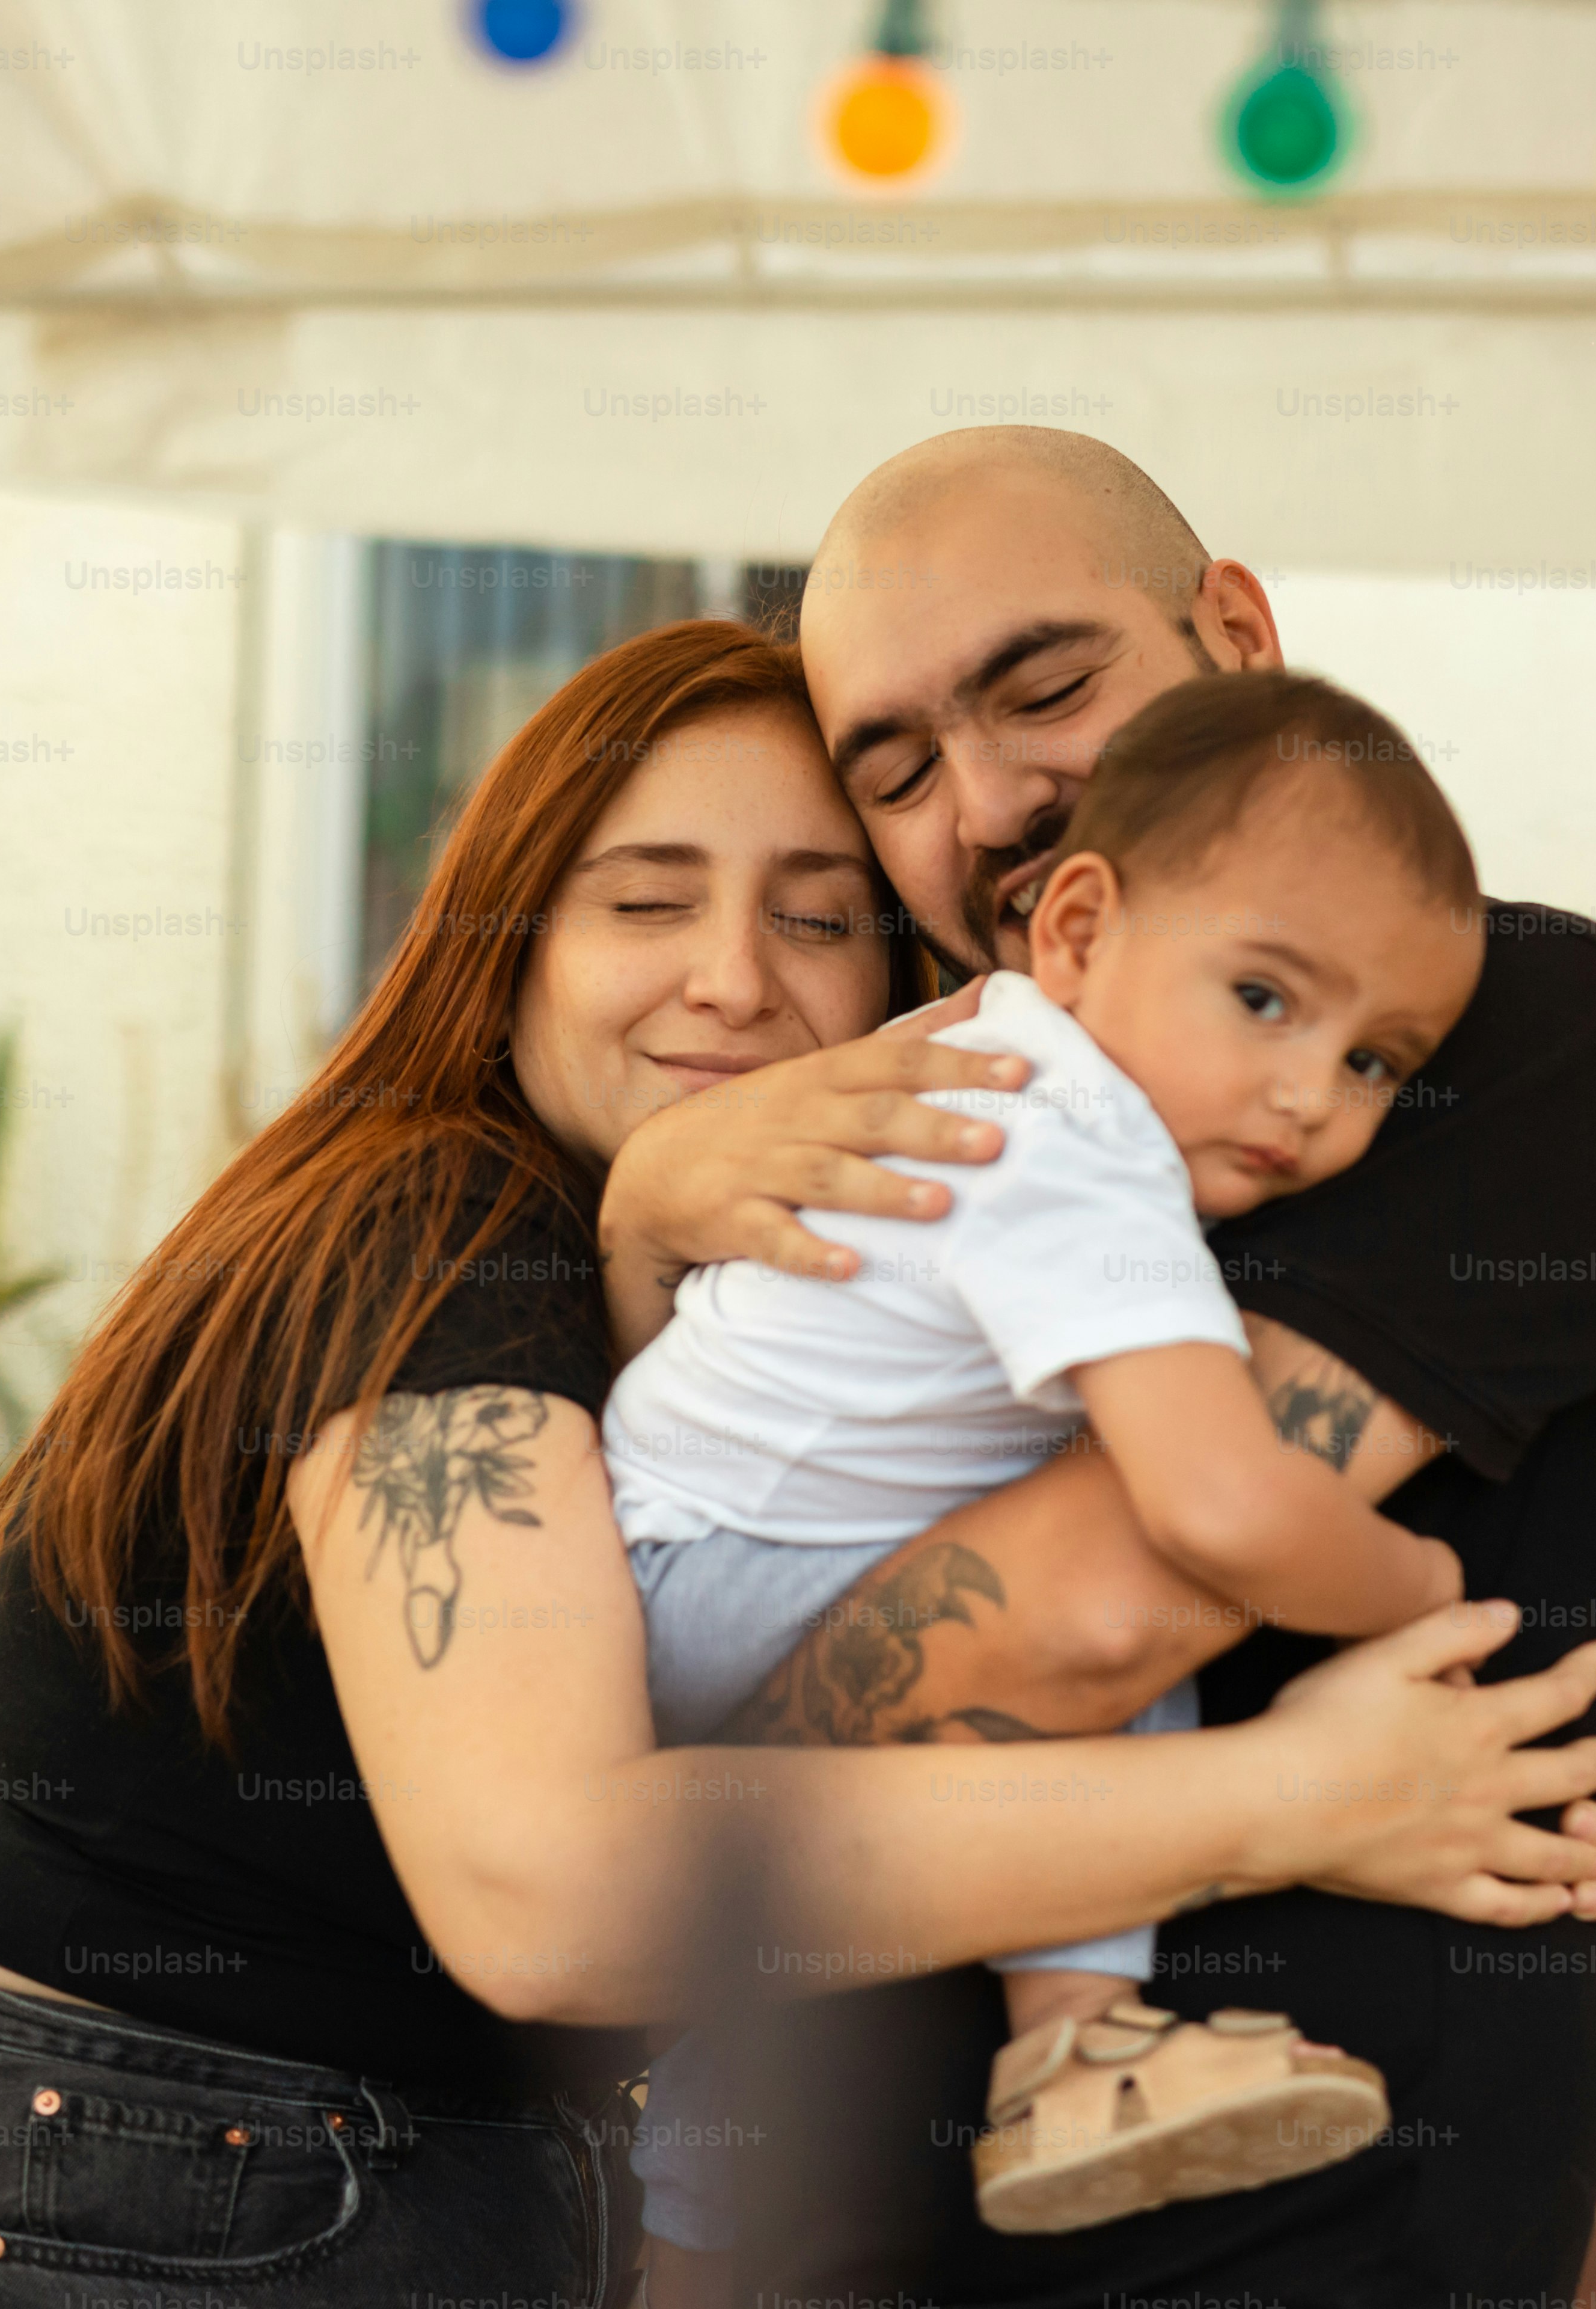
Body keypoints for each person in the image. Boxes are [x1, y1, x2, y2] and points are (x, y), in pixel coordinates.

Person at [0, 619, 1596, 2309]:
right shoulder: (430, 1232)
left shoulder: (720, 1284)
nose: (729, 981)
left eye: (814, 913)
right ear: (505, 940)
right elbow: (551, 1893)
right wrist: (1306, 1794)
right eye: (644, 898)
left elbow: (917, 1646)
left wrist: (1550, 1766)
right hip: (142, 2178)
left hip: (338, 2169)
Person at [595, 431, 1596, 2307]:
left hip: (1268, 2231)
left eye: (1049, 685)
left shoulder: (1515, 1027)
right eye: (893, 773)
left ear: (1234, 629)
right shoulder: (984, 1110)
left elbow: (1078, 1624)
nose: (986, 801)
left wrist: (635, 1830)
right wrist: (646, 1215)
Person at [611, 670, 1487, 2246]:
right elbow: (1225, 1506)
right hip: (722, 1569)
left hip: (695, 1550)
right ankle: (1064, 2053)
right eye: (1270, 1001)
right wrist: (1427, 1591)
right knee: (1129, 1582)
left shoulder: (1013, 1070)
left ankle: (988, 2078)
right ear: (1077, 933)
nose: (1312, 1094)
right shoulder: (1075, 1141)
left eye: (1378, 1062)